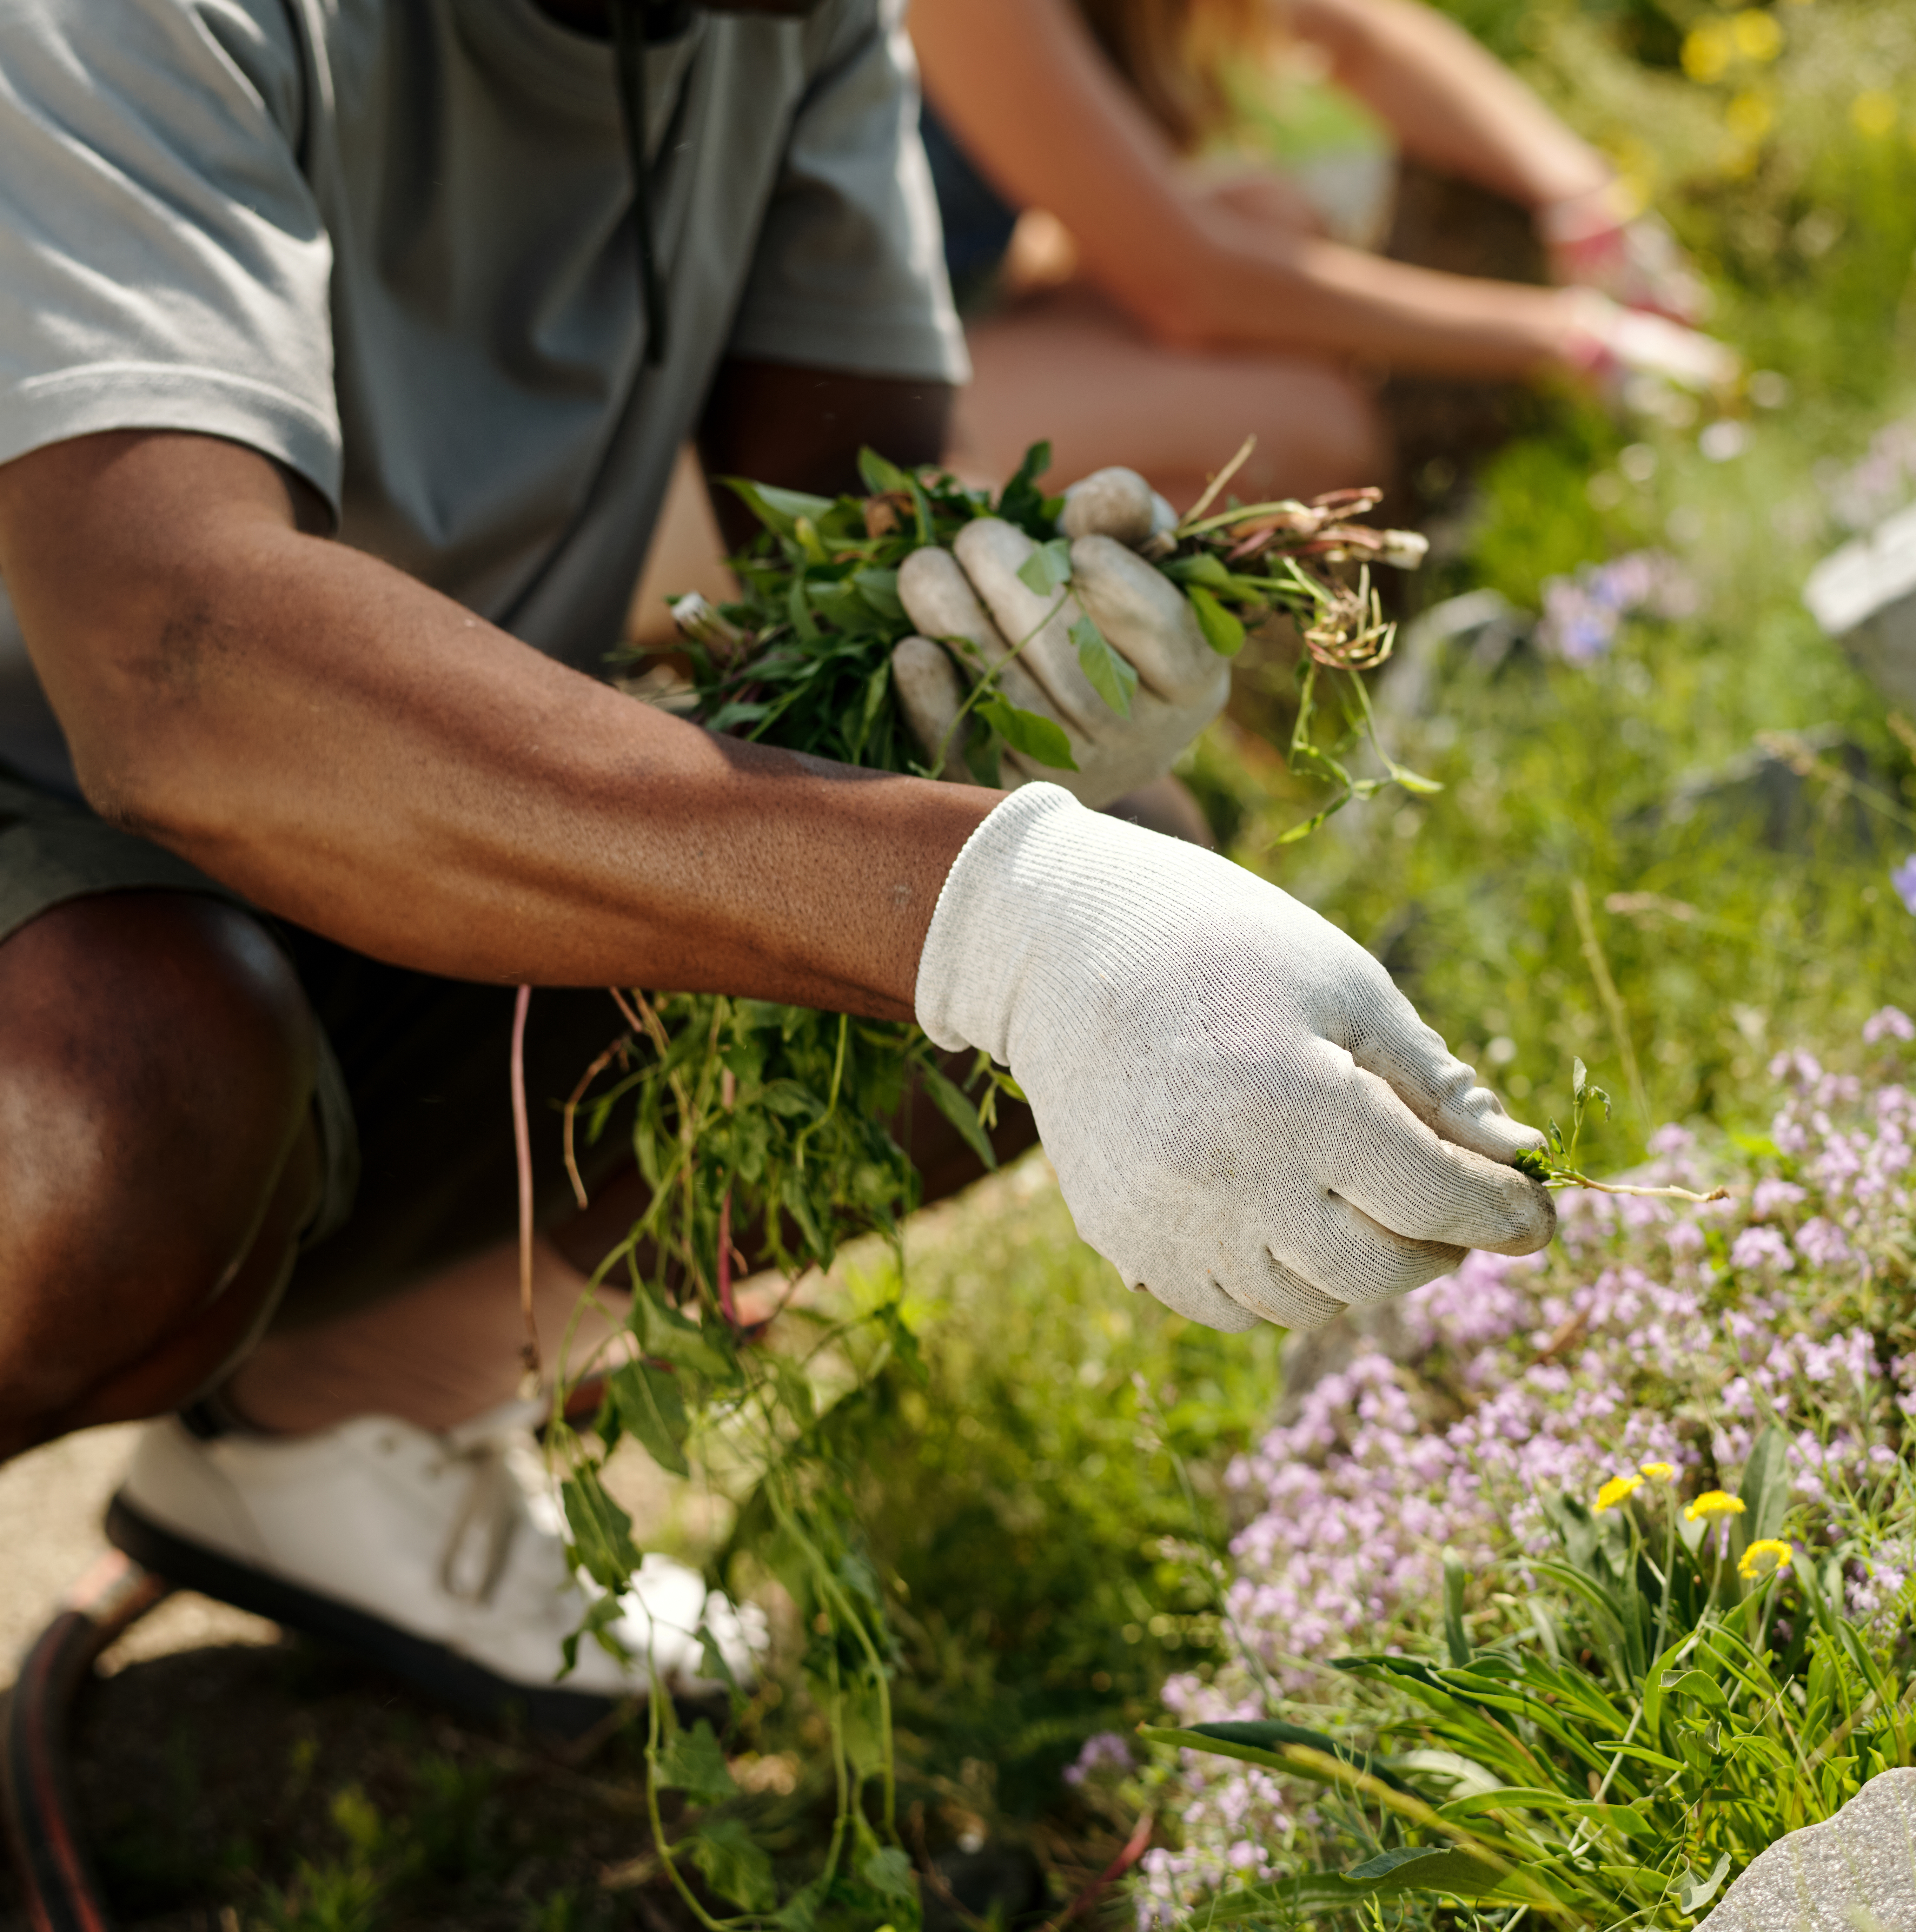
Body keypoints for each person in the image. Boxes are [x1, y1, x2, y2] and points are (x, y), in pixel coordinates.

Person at [0, 0, 1553, 1726]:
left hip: (340, 846)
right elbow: (176, 665)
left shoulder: (791, 23)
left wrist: (1020, 686)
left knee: (1059, 891)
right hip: (70, 872)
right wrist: (985, 912)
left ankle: (334, 1435)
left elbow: (837, 517)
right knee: (106, 1104)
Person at [908, 0, 1735, 500]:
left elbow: (1353, 36)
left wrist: (1580, 199)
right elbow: (1196, 286)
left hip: (948, 317)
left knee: (1270, 214)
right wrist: (1563, 341)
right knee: (1310, 430)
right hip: (818, 402)